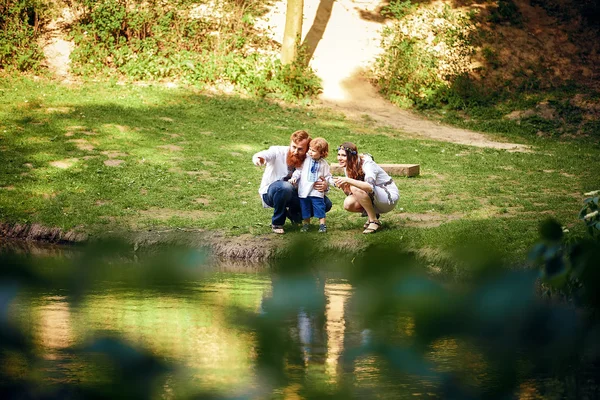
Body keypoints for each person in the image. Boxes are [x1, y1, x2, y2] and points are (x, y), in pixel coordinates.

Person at [252, 130, 332, 234]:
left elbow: (321, 177)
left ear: (307, 149)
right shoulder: (278, 151)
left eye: (300, 149)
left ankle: (295, 215)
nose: (295, 151)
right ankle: (277, 222)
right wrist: (259, 159)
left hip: (297, 194)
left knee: (326, 203)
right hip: (272, 193)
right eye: (293, 147)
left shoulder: (311, 159)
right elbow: (265, 154)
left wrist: (325, 186)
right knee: (285, 187)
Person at [333, 142, 399, 234]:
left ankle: (374, 221)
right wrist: (343, 185)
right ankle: (373, 214)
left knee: (355, 187)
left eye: (343, 155)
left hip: (388, 196)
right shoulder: (348, 165)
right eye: (338, 155)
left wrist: (348, 180)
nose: (339, 158)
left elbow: (369, 187)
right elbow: (352, 191)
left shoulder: (367, 164)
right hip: (376, 198)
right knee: (348, 204)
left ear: (352, 156)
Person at [289, 137, 335, 233]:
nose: (310, 152)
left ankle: (322, 225)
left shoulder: (324, 164)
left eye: (313, 151)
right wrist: (294, 177)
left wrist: (331, 182)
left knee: (319, 207)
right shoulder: (305, 159)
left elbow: (327, 176)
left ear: (322, 153)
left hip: (316, 191)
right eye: (310, 149)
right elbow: (299, 170)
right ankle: (306, 224)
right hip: (304, 190)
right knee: (305, 208)